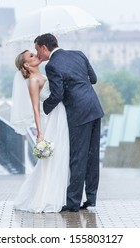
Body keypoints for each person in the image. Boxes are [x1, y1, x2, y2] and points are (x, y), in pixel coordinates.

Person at [34, 33, 104, 212]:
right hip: (95, 108)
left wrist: (45, 109)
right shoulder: (78, 54)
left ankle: (72, 203)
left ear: (44, 47)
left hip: (78, 113)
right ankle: (91, 198)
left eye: (37, 50)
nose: (38, 55)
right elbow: (93, 79)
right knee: (92, 155)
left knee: (78, 157)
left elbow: (57, 95)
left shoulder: (52, 65)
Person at [10, 50, 70, 213]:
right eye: (31, 56)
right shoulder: (33, 81)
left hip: (60, 114)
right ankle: (47, 196)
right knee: (52, 159)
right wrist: (40, 133)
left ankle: (60, 194)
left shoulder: (44, 74)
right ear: (26, 65)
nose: (36, 55)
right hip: (52, 119)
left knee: (62, 155)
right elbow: (36, 109)